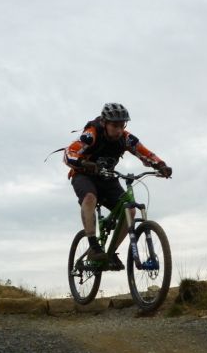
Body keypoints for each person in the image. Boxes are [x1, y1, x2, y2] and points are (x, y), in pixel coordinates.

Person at [64, 103, 172, 263]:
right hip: (83, 175)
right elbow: (69, 153)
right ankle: (94, 248)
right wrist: (84, 163)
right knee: (89, 198)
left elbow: (145, 153)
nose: (119, 130)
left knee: (130, 210)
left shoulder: (126, 138)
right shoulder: (91, 134)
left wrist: (161, 165)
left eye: (122, 125)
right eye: (115, 126)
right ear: (104, 123)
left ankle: (110, 254)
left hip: (107, 177)